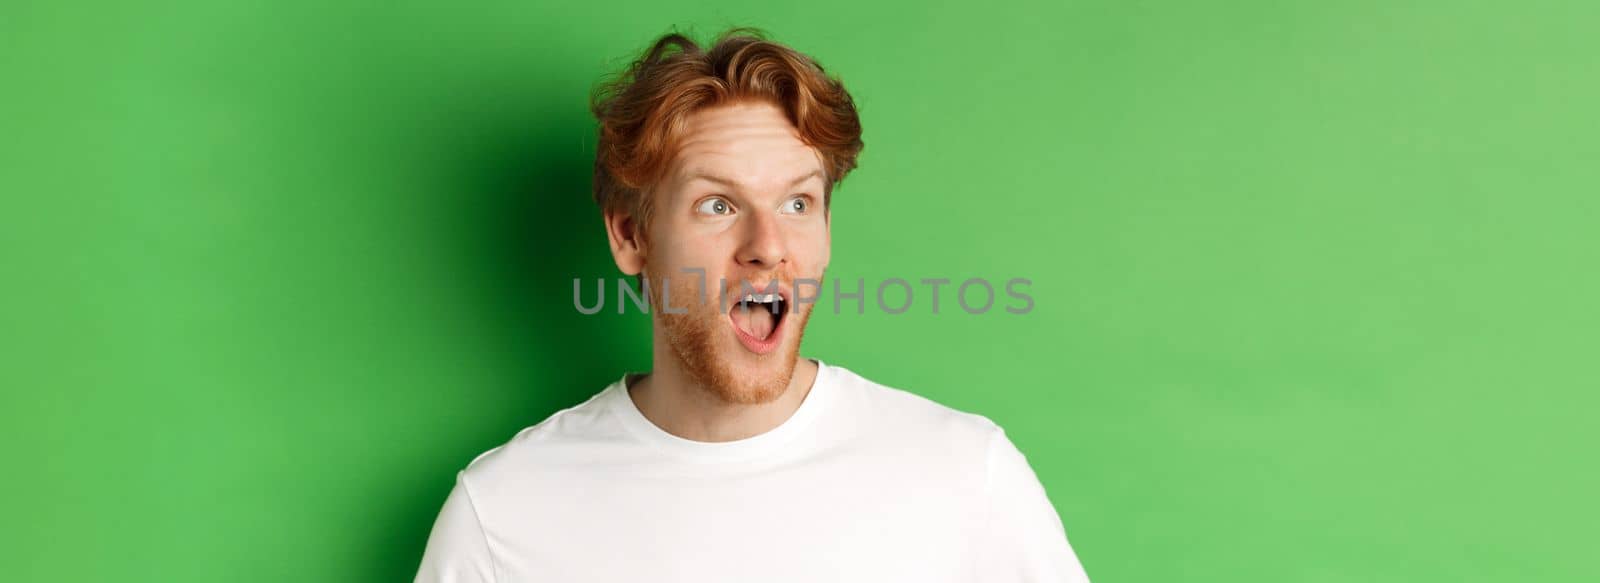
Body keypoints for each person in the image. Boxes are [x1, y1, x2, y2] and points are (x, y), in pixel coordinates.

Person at [414, 28, 1091, 582]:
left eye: (798, 203)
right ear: (630, 234)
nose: (768, 246)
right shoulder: (504, 513)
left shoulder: (967, 476)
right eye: (718, 204)